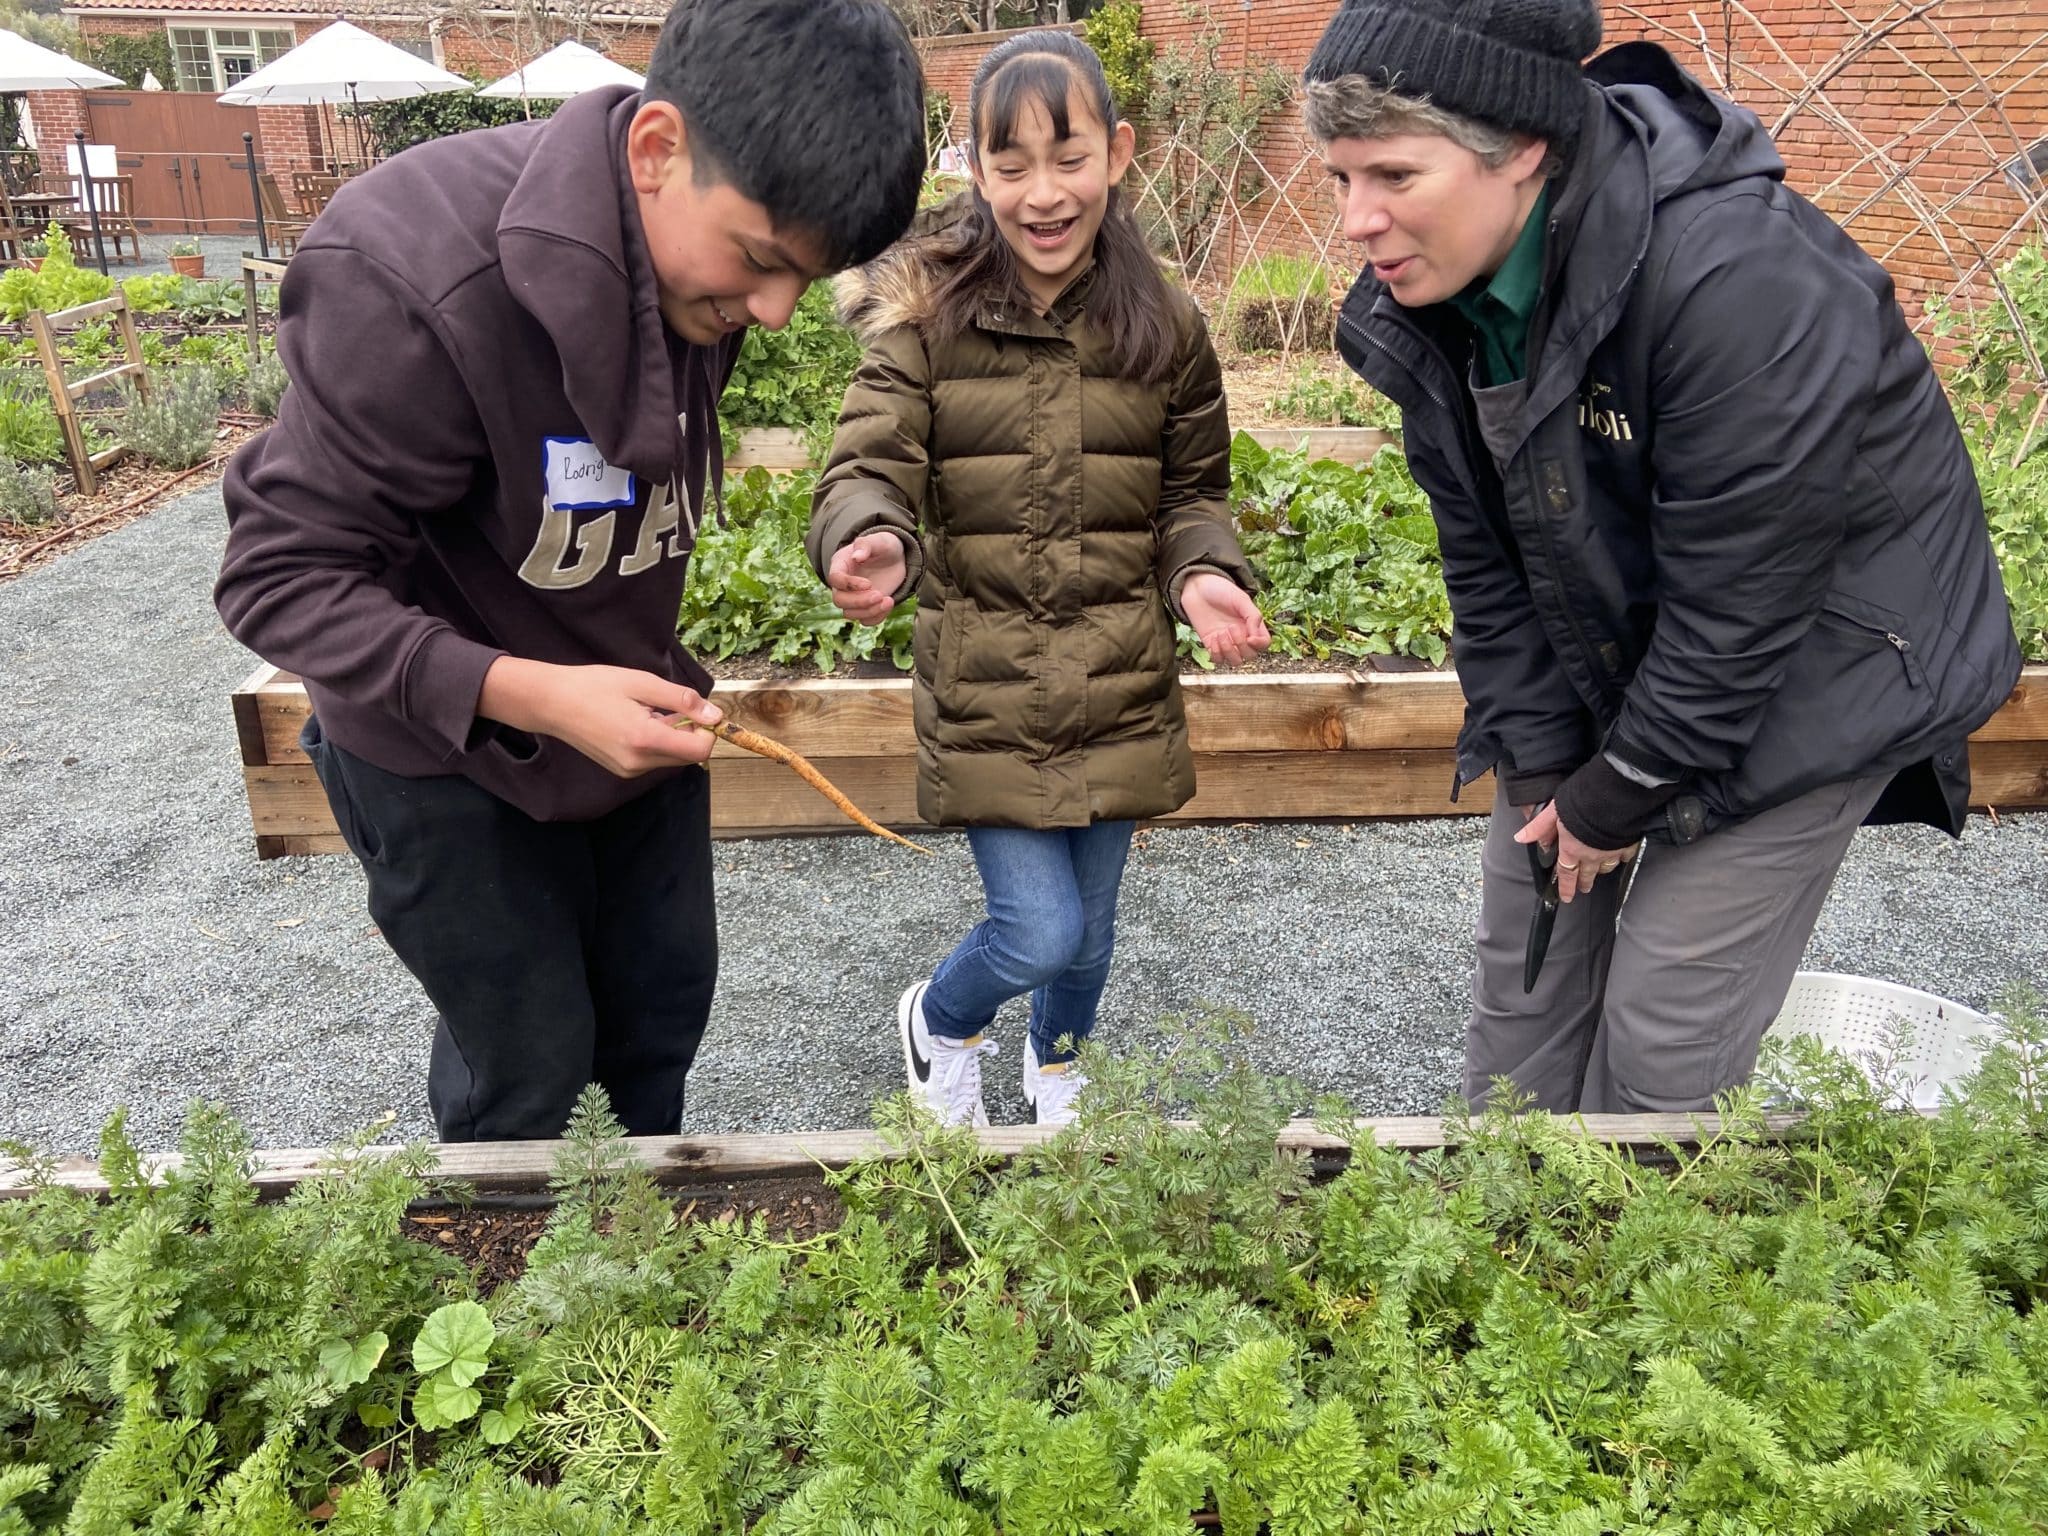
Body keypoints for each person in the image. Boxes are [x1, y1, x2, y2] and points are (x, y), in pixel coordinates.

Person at [213, 0, 927, 1142]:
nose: (775, 311)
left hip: (621, 711)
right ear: (656, 150)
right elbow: (277, 580)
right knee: (530, 1076)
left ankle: (625, 1307)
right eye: (758, 263)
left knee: (652, 1032)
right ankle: (508, 1312)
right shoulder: (408, 271)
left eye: (807, 276)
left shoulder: (696, 248)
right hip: (446, 758)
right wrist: (539, 695)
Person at [1303, 0, 2021, 1113]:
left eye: (1392, 174)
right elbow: (1486, 570)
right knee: (1520, 990)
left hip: (1817, 659)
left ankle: (1630, 1254)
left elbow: (1740, 604)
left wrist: (1617, 795)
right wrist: (1549, 774)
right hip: (1626, 630)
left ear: (1521, 145)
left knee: (1661, 1030)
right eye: (1339, 178)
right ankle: (1515, 1235)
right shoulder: (1427, 302)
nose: (1356, 221)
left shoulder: (1735, 275)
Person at [808, 29, 1269, 1128]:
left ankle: (1056, 1071)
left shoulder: (1164, 324)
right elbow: (866, 460)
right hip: (989, 688)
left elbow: (1189, 494)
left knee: (1093, 933)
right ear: (972, 166)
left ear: (1115, 153)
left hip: (1118, 680)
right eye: (1008, 164)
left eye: (1066, 158)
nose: (1042, 193)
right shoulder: (927, 316)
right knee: (1038, 928)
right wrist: (867, 533)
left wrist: (1200, 569)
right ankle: (940, 1020)